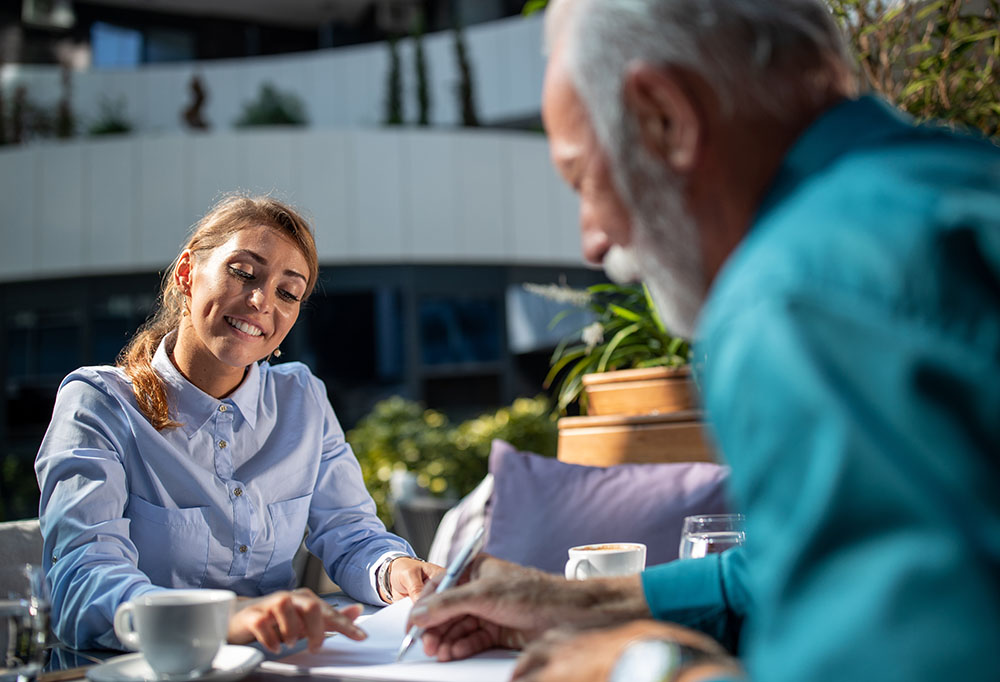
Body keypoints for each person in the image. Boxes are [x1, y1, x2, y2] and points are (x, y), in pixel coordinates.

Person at [407, 0, 1000, 681]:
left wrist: (647, 667)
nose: (593, 239)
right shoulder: (958, 181)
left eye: (582, 179)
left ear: (666, 115)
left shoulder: (798, 294)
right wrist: (578, 600)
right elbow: (792, 573)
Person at [35, 195, 442, 652]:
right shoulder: (99, 405)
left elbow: (351, 536)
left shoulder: (302, 399)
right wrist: (225, 619)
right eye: (243, 272)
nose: (260, 301)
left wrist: (395, 571)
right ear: (186, 273)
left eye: (288, 293)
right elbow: (83, 586)